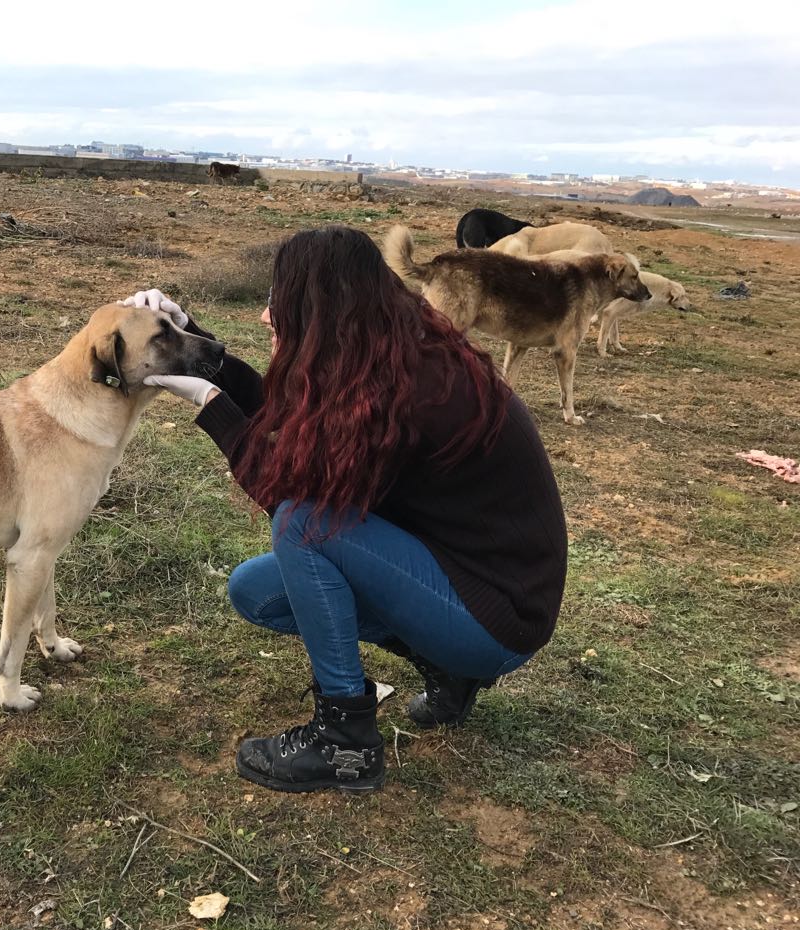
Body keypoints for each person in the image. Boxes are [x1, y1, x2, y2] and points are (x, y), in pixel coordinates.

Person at [121, 226, 567, 794]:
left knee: (304, 526)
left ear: (324, 311)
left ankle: (345, 740)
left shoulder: (411, 389)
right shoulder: (389, 357)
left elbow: (288, 488)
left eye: (279, 303)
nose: (265, 316)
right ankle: (449, 669)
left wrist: (210, 404)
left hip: (496, 618)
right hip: (459, 579)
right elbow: (291, 422)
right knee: (258, 590)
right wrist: (191, 339)